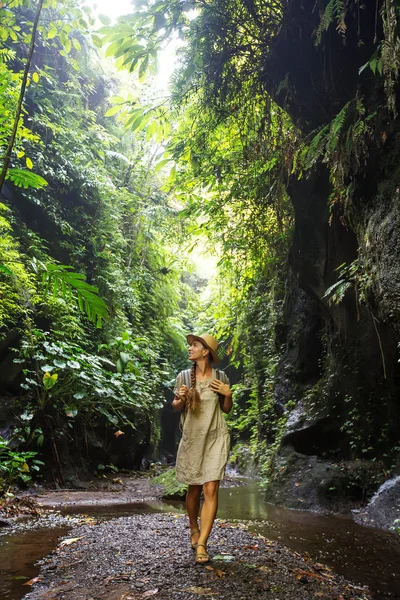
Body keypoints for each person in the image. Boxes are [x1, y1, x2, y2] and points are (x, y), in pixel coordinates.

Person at [172, 333, 233, 564]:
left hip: (216, 436)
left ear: (205, 351)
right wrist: (181, 397)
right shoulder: (184, 376)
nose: (190, 348)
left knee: (211, 490)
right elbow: (176, 406)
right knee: (194, 489)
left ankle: (202, 544)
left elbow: (226, 409)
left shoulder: (221, 376)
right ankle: (193, 527)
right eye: (191, 345)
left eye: (195, 345)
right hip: (193, 437)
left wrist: (228, 395)